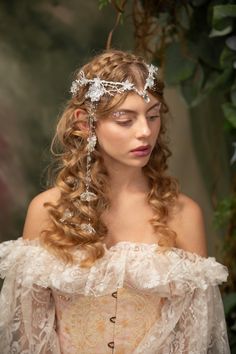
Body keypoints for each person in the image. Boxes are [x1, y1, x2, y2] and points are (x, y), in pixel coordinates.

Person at [0, 49, 230, 353]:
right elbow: (29, 339)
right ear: (85, 123)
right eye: (125, 119)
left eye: (153, 116)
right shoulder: (46, 211)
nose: (145, 132)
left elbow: (195, 340)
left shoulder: (183, 214)